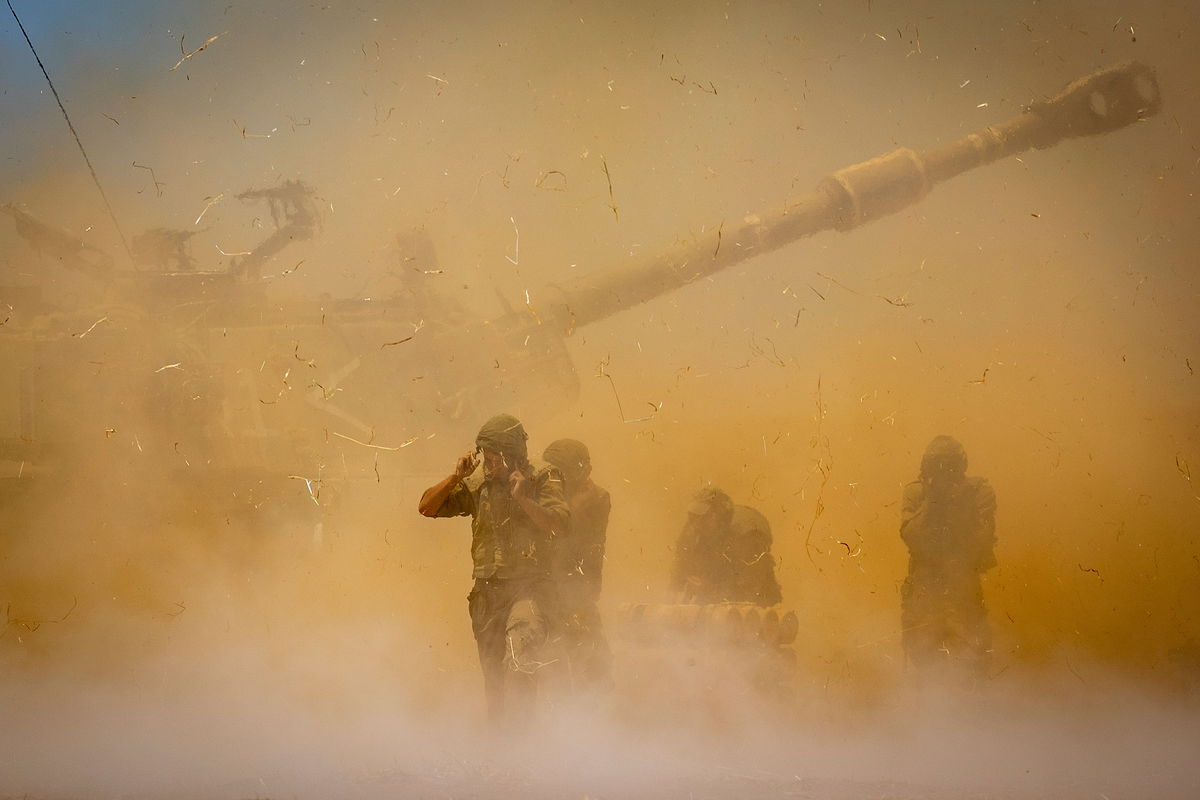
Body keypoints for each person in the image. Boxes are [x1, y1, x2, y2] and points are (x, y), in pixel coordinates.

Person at [418, 414, 569, 725]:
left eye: (496, 453)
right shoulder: (478, 483)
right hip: (488, 591)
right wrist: (455, 478)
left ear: (513, 453)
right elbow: (427, 508)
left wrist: (523, 499)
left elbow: (558, 524)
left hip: (530, 589)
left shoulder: (542, 477)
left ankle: (523, 738)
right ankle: (500, 743)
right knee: (493, 672)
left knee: (521, 659)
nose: (489, 460)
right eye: (485, 452)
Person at [899, 435, 997, 678]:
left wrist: (956, 504)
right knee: (924, 662)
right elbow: (912, 537)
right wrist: (933, 502)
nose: (943, 475)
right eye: (937, 468)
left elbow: (979, 543)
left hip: (962, 590)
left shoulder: (978, 492)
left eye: (949, 467)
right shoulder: (916, 494)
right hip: (925, 593)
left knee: (971, 662)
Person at [542, 438, 612, 692]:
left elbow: (583, 543)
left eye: (558, 470)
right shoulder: (554, 493)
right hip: (548, 586)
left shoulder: (594, 498)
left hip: (575, 588)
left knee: (589, 658)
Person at [670, 486, 783, 607]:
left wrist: (708, 590)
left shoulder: (745, 536)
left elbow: (749, 588)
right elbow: (680, 569)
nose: (698, 523)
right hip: (712, 601)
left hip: (754, 605)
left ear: (720, 516)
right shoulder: (694, 530)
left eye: (707, 517)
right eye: (695, 516)